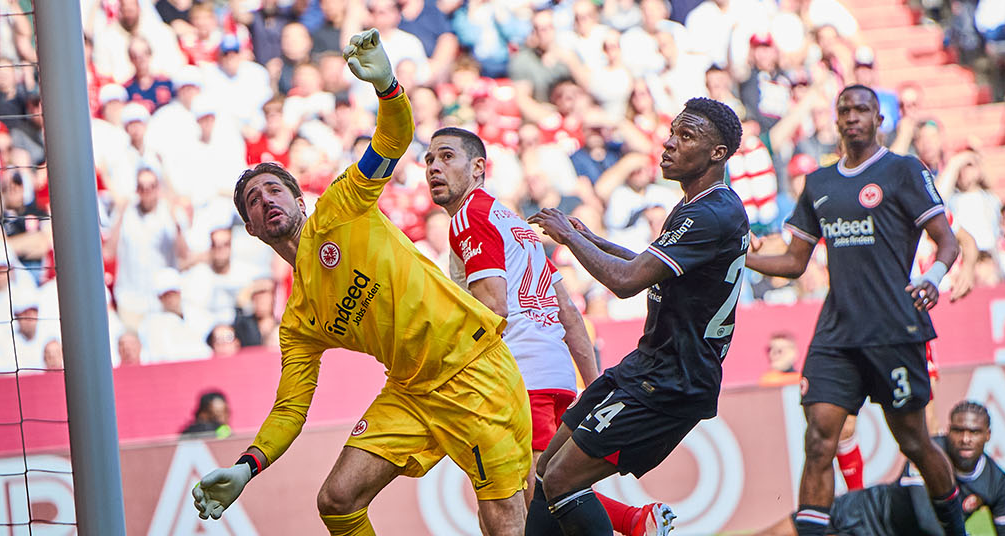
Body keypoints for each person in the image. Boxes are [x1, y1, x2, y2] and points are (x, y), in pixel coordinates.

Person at [191, 31, 532, 536]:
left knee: (505, 521)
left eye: (274, 188)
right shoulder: (299, 319)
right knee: (338, 500)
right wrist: (246, 468)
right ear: (252, 228)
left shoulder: (341, 206)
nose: (266, 199)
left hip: (473, 370)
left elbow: (392, 141)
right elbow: (290, 407)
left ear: (298, 201)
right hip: (412, 392)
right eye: (254, 201)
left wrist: (388, 86)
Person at [746, 84, 973, 536]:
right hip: (837, 333)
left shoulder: (904, 170)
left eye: (862, 110)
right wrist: (740, 256)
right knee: (818, 441)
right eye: (844, 110)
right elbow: (794, 262)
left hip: (895, 326)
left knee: (915, 441)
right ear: (835, 119)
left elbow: (945, 239)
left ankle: (956, 530)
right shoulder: (820, 182)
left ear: (879, 119)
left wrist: (932, 278)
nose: (852, 117)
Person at [426, 127, 671, 536]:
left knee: (534, 490)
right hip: (555, 373)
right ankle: (633, 521)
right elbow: (568, 311)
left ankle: (634, 522)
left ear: (478, 168)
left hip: (519, 376)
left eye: (447, 157)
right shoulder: (516, 224)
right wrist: (592, 384)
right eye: (429, 160)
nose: (434, 167)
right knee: (538, 490)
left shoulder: (471, 217)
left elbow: (493, 307)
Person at [525, 97, 749, 536]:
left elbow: (627, 282)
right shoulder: (700, 204)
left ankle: (640, 526)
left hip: (673, 380)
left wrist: (570, 238)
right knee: (545, 470)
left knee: (562, 482)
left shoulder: (709, 212)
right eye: (672, 132)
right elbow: (649, 266)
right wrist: (595, 240)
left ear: (717, 153)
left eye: (686, 137)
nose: (668, 144)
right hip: (648, 366)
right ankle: (638, 525)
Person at [747, 402, 1005, 536]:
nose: (965, 439)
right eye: (958, 430)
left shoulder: (996, 481)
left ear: (988, 435)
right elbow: (924, 518)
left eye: (974, 431)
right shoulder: (930, 454)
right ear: (948, 432)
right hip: (863, 511)